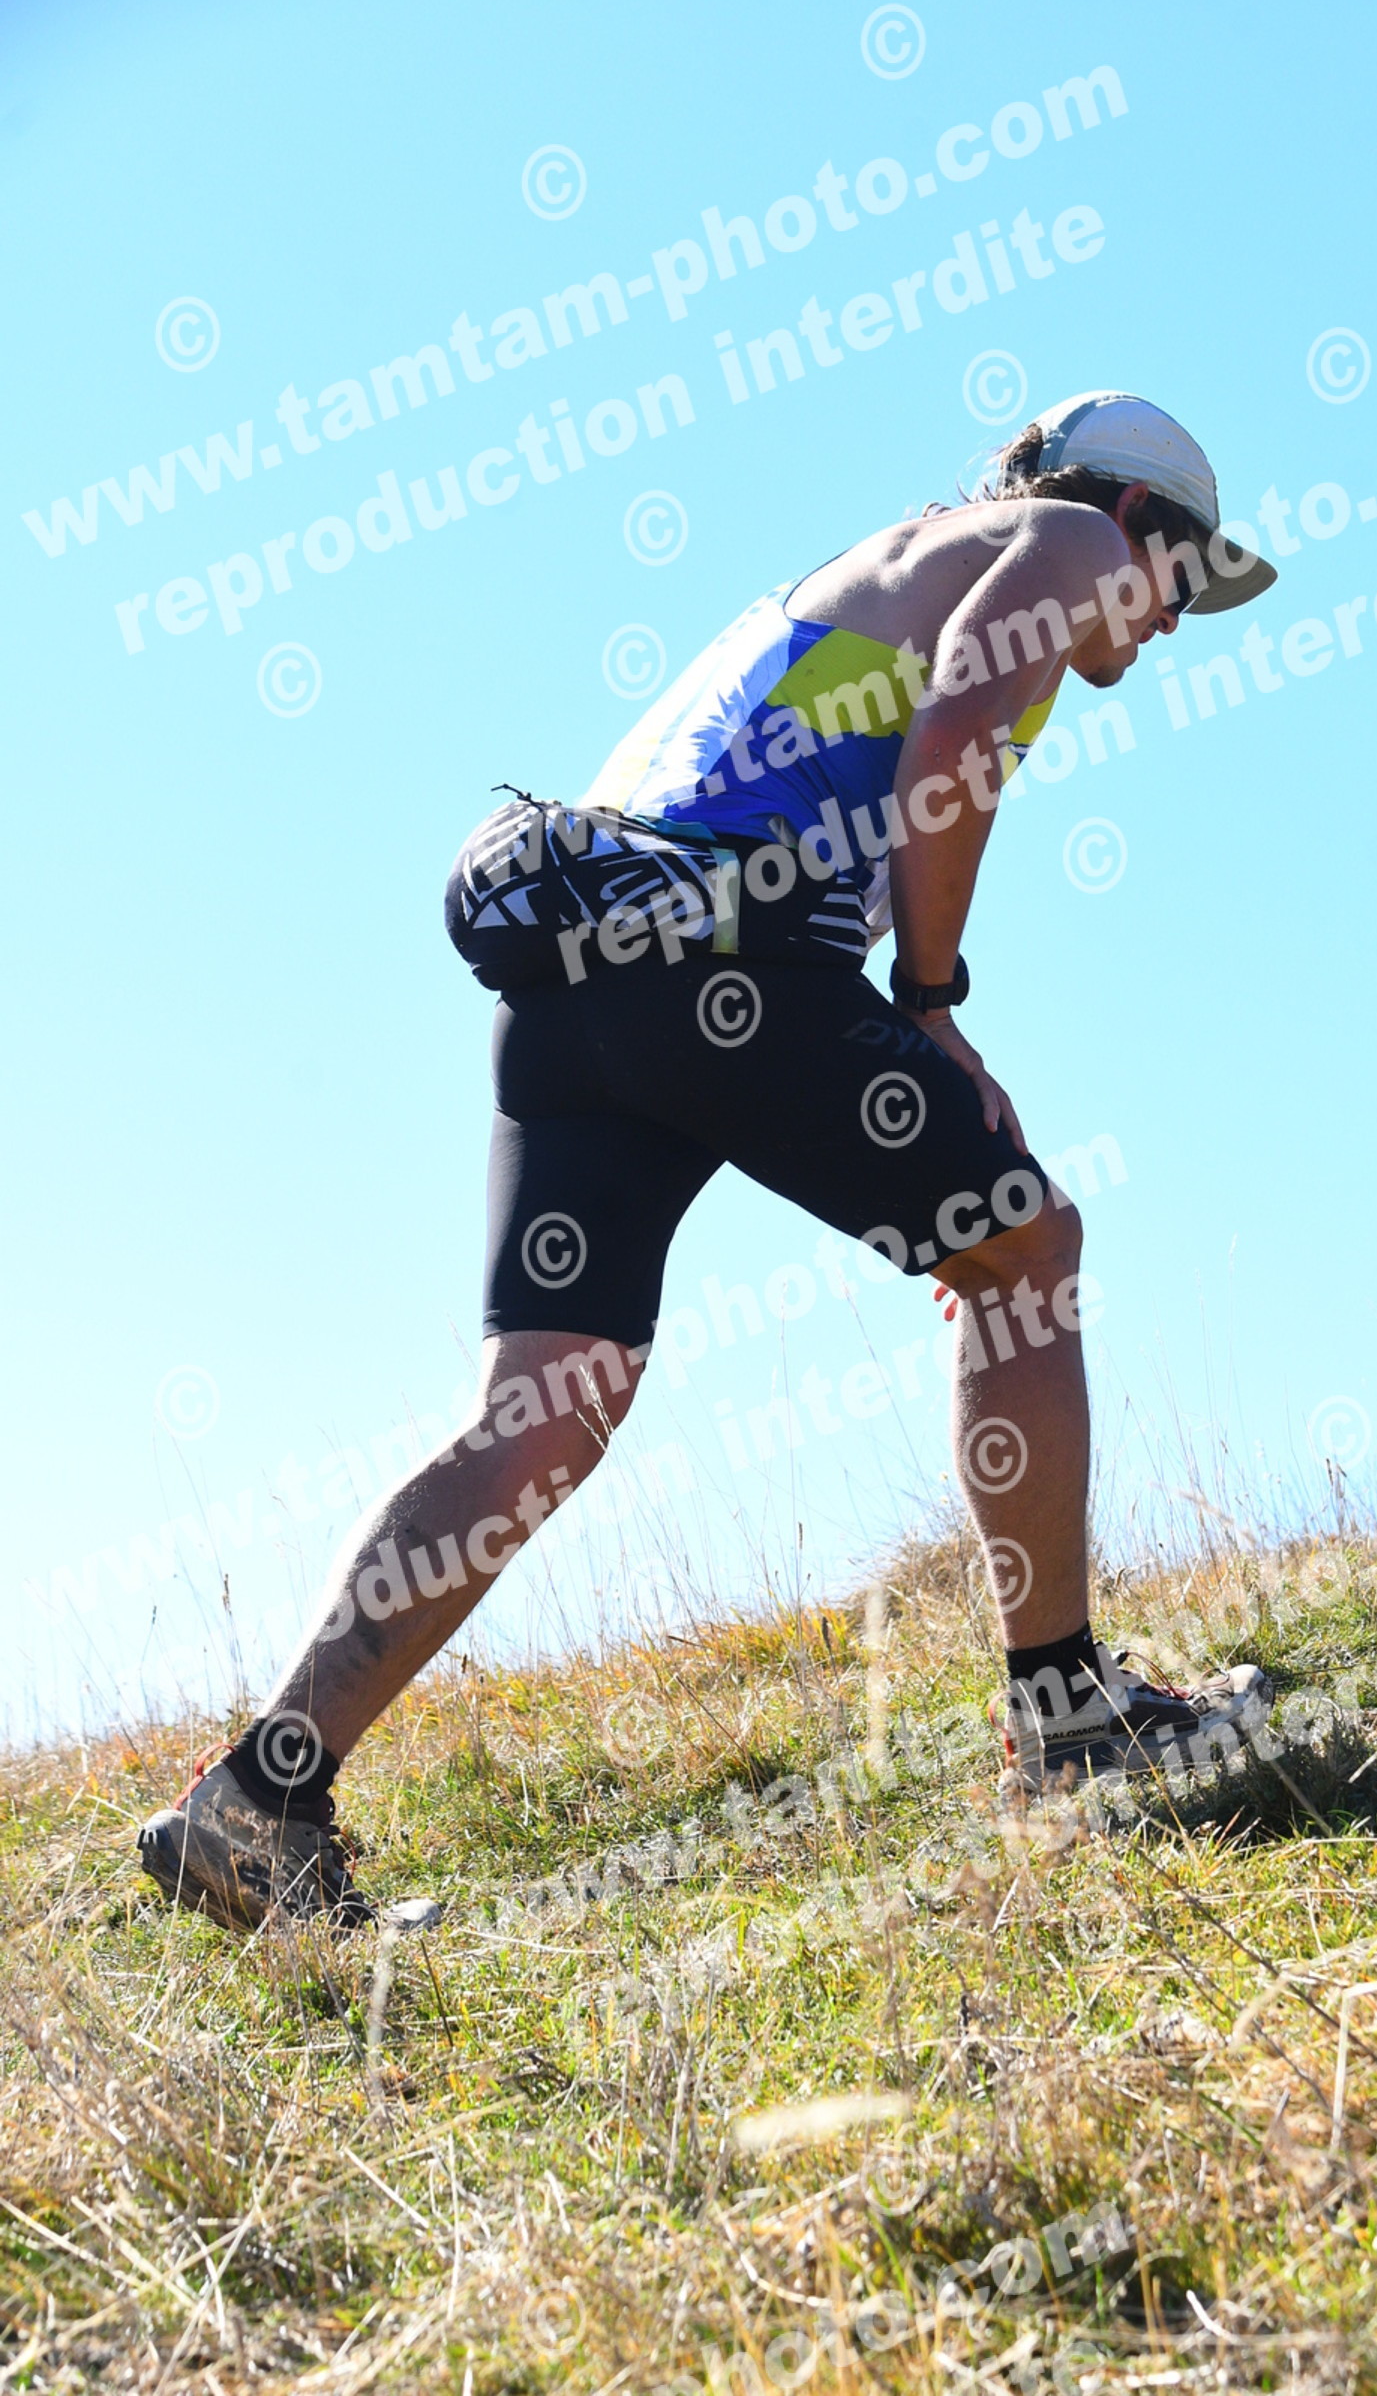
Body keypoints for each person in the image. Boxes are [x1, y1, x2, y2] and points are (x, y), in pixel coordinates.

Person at [140, 391, 1278, 1931]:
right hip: (719, 960)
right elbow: (954, 741)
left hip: (580, 975)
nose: (1177, 616)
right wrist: (929, 1002)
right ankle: (1071, 1718)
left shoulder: (877, 568)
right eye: (1188, 570)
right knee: (1027, 1251)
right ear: (1134, 513)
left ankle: (256, 1802)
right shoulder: (1068, 538)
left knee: (542, 1413)